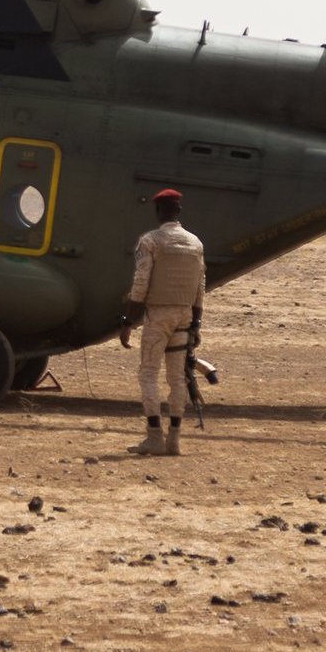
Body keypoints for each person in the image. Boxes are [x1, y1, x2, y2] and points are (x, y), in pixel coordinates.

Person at [120, 187, 207, 456]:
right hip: (184, 314)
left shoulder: (150, 241)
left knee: (148, 373)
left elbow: (141, 282)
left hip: (158, 315)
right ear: (178, 210)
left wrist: (128, 320)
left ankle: (154, 436)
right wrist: (197, 322)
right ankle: (175, 440)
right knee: (177, 377)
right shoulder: (195, 243)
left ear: (158, 211)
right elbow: (200, 286)